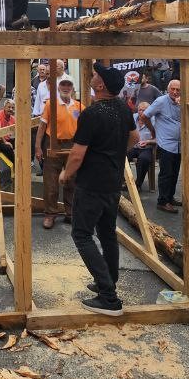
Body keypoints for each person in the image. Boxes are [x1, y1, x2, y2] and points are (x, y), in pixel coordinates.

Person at [59, 64, 135, 315]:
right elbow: (134, 139)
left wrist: (65, 174)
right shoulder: (124, 109)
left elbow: (77, 154)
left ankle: (108, 297)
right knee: (106, 233)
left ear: (101, 85)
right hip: (112, 183)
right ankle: (109, 280)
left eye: (94, 76)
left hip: (91, 184)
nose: (91, 77)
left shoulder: (92, 113)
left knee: (81, 234)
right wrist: (114, 152)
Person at [36, 77, 83, 229]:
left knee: (72, 180)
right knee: (51, 182)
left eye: (69, 85)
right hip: (52, 143)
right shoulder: (50, 104)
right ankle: (50, 214)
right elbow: (42, 127)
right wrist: (37, 147)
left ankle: (71, 214)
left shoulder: (79, 106)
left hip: (73, 144)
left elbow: (86, 129)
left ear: (72, 88)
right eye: (63, 84)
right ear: (58, 87)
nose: (65, 87)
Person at [137, 79, 183, 213]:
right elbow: (145, 116)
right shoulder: (161, 101)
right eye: (172, 89)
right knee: (166, 173)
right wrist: (153, 131)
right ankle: (162, 201)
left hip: (179, 143)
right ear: (168, 89)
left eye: (178, 90)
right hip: (166, 143)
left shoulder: (182, 101)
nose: (175, 92)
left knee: (175, 172)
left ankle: (170, 197)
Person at [131, 101, 157, 192]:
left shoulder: (153, 120)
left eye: (144, 110)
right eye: (139, 110)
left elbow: (159, 139)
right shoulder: (133, 117)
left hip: (147, 148)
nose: (141, 112)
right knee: (121, 156)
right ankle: (124, 181)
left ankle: (138, 184)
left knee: (144, 159)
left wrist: (148, 141)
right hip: (133, 146)